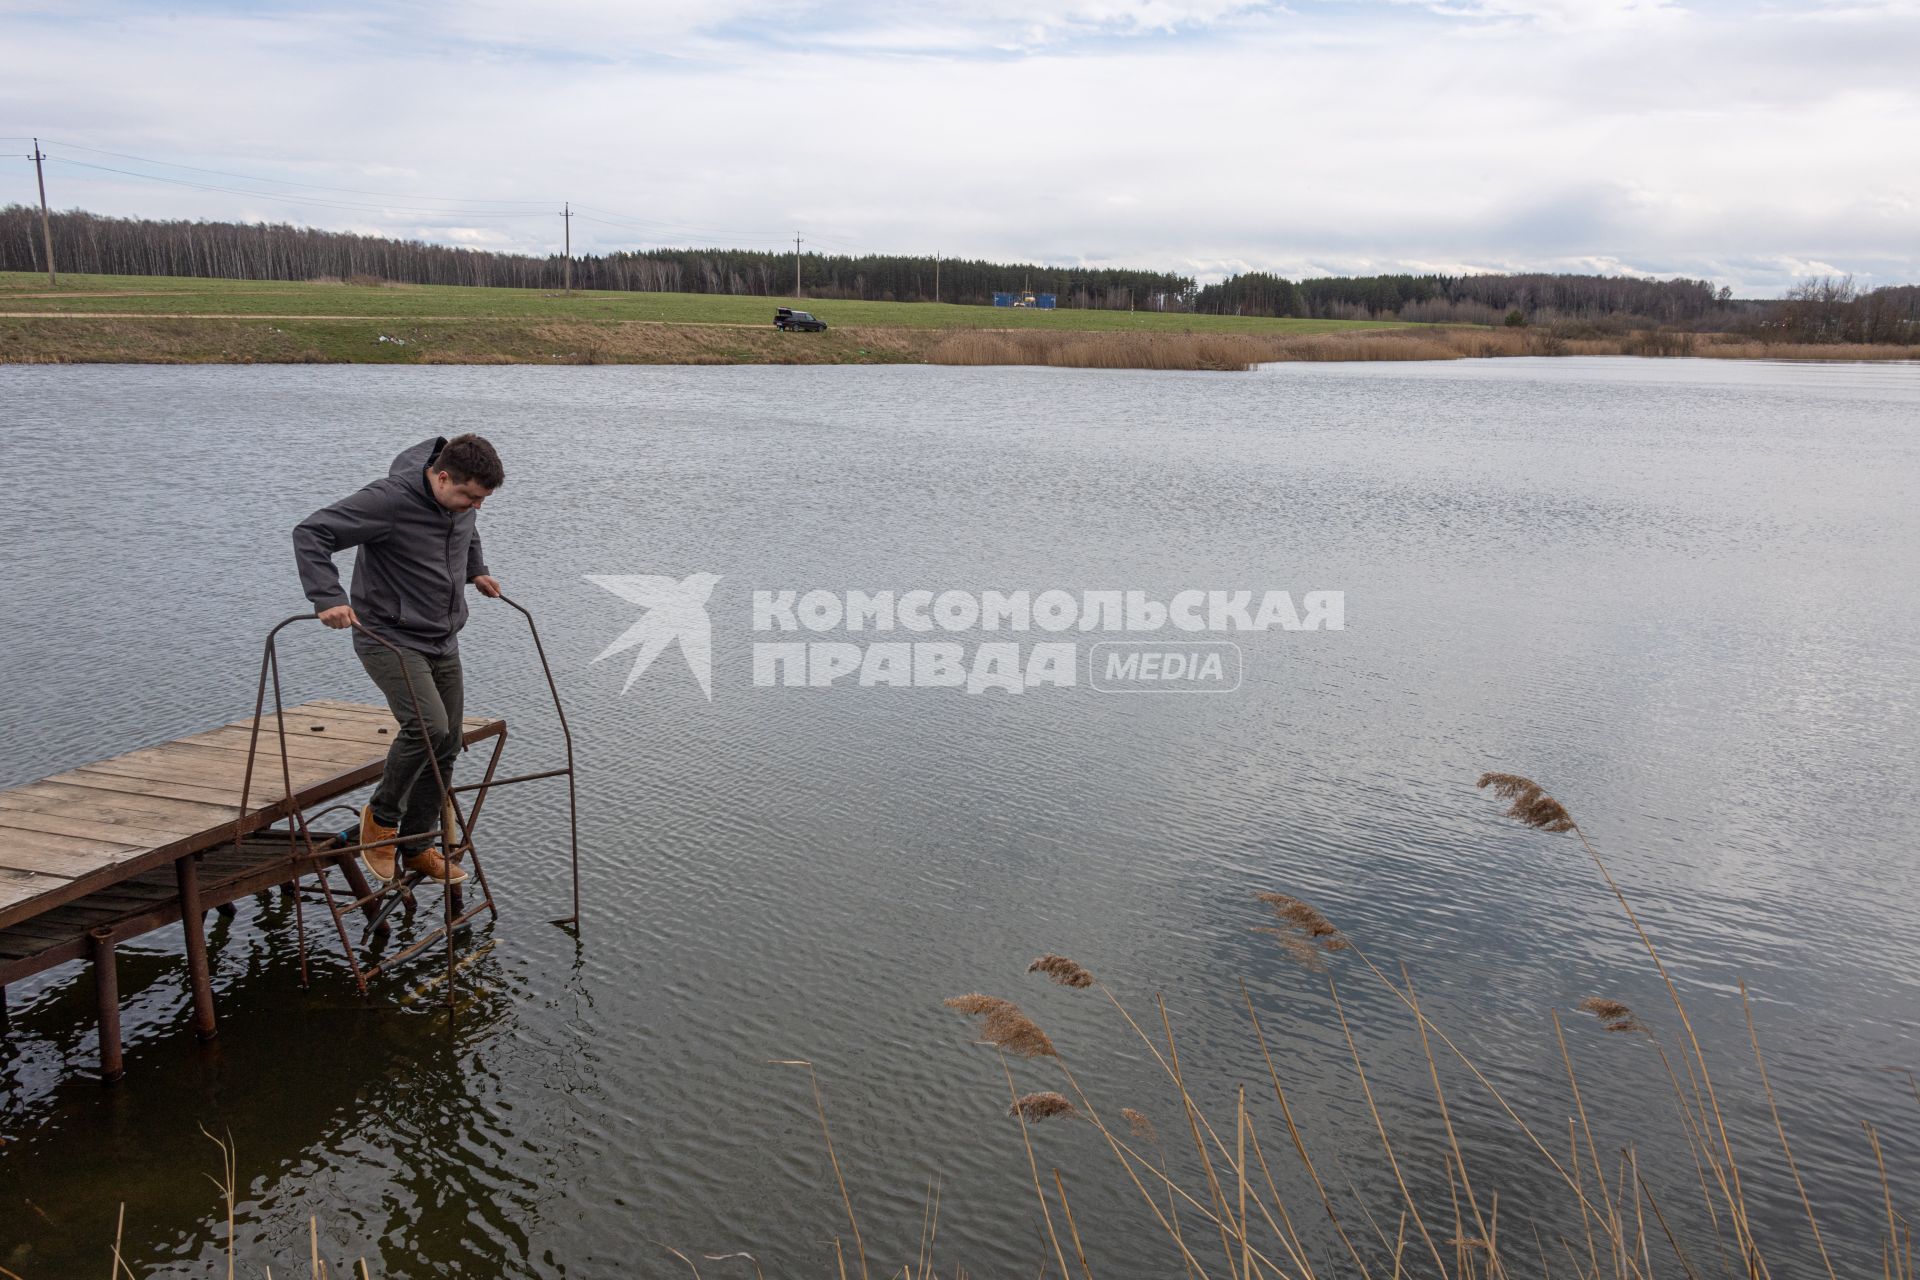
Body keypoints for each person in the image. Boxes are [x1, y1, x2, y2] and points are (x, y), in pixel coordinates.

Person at [292, 434, 505, 886]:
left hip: (442, 638)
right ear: (441, 476)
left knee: (447, 743)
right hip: (388, 637)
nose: (475, 507)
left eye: (482, 499)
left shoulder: (459, 505)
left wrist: (476, 569)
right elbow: (313, 532)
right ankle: (381, 819)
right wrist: (327, 597)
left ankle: (417, 846)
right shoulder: (388, 501)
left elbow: (467, 529)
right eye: (469, 496)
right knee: (427, 727)